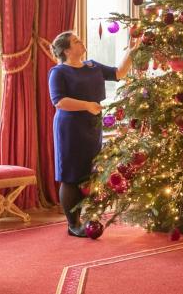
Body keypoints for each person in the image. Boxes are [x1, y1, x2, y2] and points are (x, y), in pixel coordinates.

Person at [49, 31, 139, 237]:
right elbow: (59, 101)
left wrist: (131, 52)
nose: (81, 42)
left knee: (90, 173)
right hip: (69, 128)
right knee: (71, 175)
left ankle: (87, 217)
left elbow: (119, 73)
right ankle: (73, 223)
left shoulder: (93, 66)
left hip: (92, 125)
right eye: (76, 41)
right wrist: (87, 105)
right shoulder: (59, 72)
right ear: (66, 50)